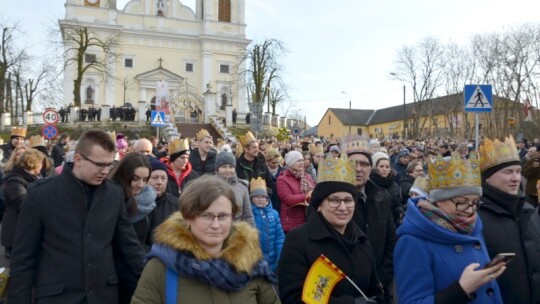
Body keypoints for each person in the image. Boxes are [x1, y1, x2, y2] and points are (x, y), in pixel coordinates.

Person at [7, 129, 145, 304]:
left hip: (104, 297)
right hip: (58, 297)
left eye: (110, 164)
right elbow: (23, 259)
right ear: (78, 159)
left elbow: (129, 247)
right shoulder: (41, 194)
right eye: (99, 164)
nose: (106, 171)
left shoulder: (114, 193)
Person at [131, 175, 280, 303]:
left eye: (222, 216)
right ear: (188, 217)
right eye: (206, 216)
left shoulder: (251, 263)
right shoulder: (161, 268)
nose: (215, 225)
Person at [394, 152, 505, 303]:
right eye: (462, 201)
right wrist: (461, 289)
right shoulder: (412, 241)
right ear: (439, 200)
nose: (470, 209)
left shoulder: (472, 226)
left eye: (475, 202)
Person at [278, 154, 383, 303]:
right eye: (334, 200)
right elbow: (293, 298)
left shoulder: (361, 239)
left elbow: (375, 288)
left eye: (348, 200)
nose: (342, 207)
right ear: (320, 205)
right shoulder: (298, 240)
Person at [477, 136, 540, 303]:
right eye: (508, 172)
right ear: (488, 177)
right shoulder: (476, 217)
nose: (516, 178)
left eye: (518, 172)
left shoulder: (529, 211)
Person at [341, 135, 396, 304]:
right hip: (345, 289)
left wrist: (382, 278)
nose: (358, 169)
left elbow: (391, 240)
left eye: (364, 164)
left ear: (370, 168)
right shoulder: (330, 201)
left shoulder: (381, 196)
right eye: (352, 163)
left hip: (378, 286)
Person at [1, 149, 44, 259]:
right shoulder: (15, 180)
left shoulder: (36, 178)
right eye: (40, 162)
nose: (42, 165)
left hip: (27, 229)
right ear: (32, 163)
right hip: (15, 230)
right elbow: (23, 204)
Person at [109, 152, 156, 248]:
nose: (141, 185)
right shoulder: (110, 199)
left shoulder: (149, 202)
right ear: (124, 175)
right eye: (135, 178)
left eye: (145, 179)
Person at [250, 177, 284, 272]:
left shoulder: (274, 214)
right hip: (255, 262)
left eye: (263, 196)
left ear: (267, 198)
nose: (260, 199)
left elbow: (279, 238)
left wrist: (280, 256)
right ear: (251, 198)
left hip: (272, 262)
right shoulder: (249, 215)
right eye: (256, 196)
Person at [277, 150, 316, 233]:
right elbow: (288, 199)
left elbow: (315, 190)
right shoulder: (282, 179)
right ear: (290, 163)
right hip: (292, 222)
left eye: (302, 160)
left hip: (308, 219)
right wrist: (307, 196)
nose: (302, 163)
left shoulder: (307, 176)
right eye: (298, 161)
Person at [215, 151, 255, 225]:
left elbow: (247, 215)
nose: (228, 170)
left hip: (236, 231)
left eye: (231, 167)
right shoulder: (209, 185)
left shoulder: (242, 187)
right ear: (217, 168)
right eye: (224, 167)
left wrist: (251, 235)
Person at [146, 157, 178, 243]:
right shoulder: (136, 204)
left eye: (163, 178)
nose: (159, 182)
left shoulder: (176, 205)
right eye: (155, 177)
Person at [236, 131, 276, 198]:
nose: (257, 149)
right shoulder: (237, 165)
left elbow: (271, 183)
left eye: (257, 147)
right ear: (246, 149)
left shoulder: (262, 164)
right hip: (244, 201)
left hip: (260, 202)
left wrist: (268, 192)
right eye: (254, 147)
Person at [370, 152, 403, 226]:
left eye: (387, 167)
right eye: (381, 166)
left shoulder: (394, 185)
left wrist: (400, 211)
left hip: (391, 222)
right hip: (375, 223)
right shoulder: (370, 183)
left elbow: (397, 204)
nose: (384, 169)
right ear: (376, 168)